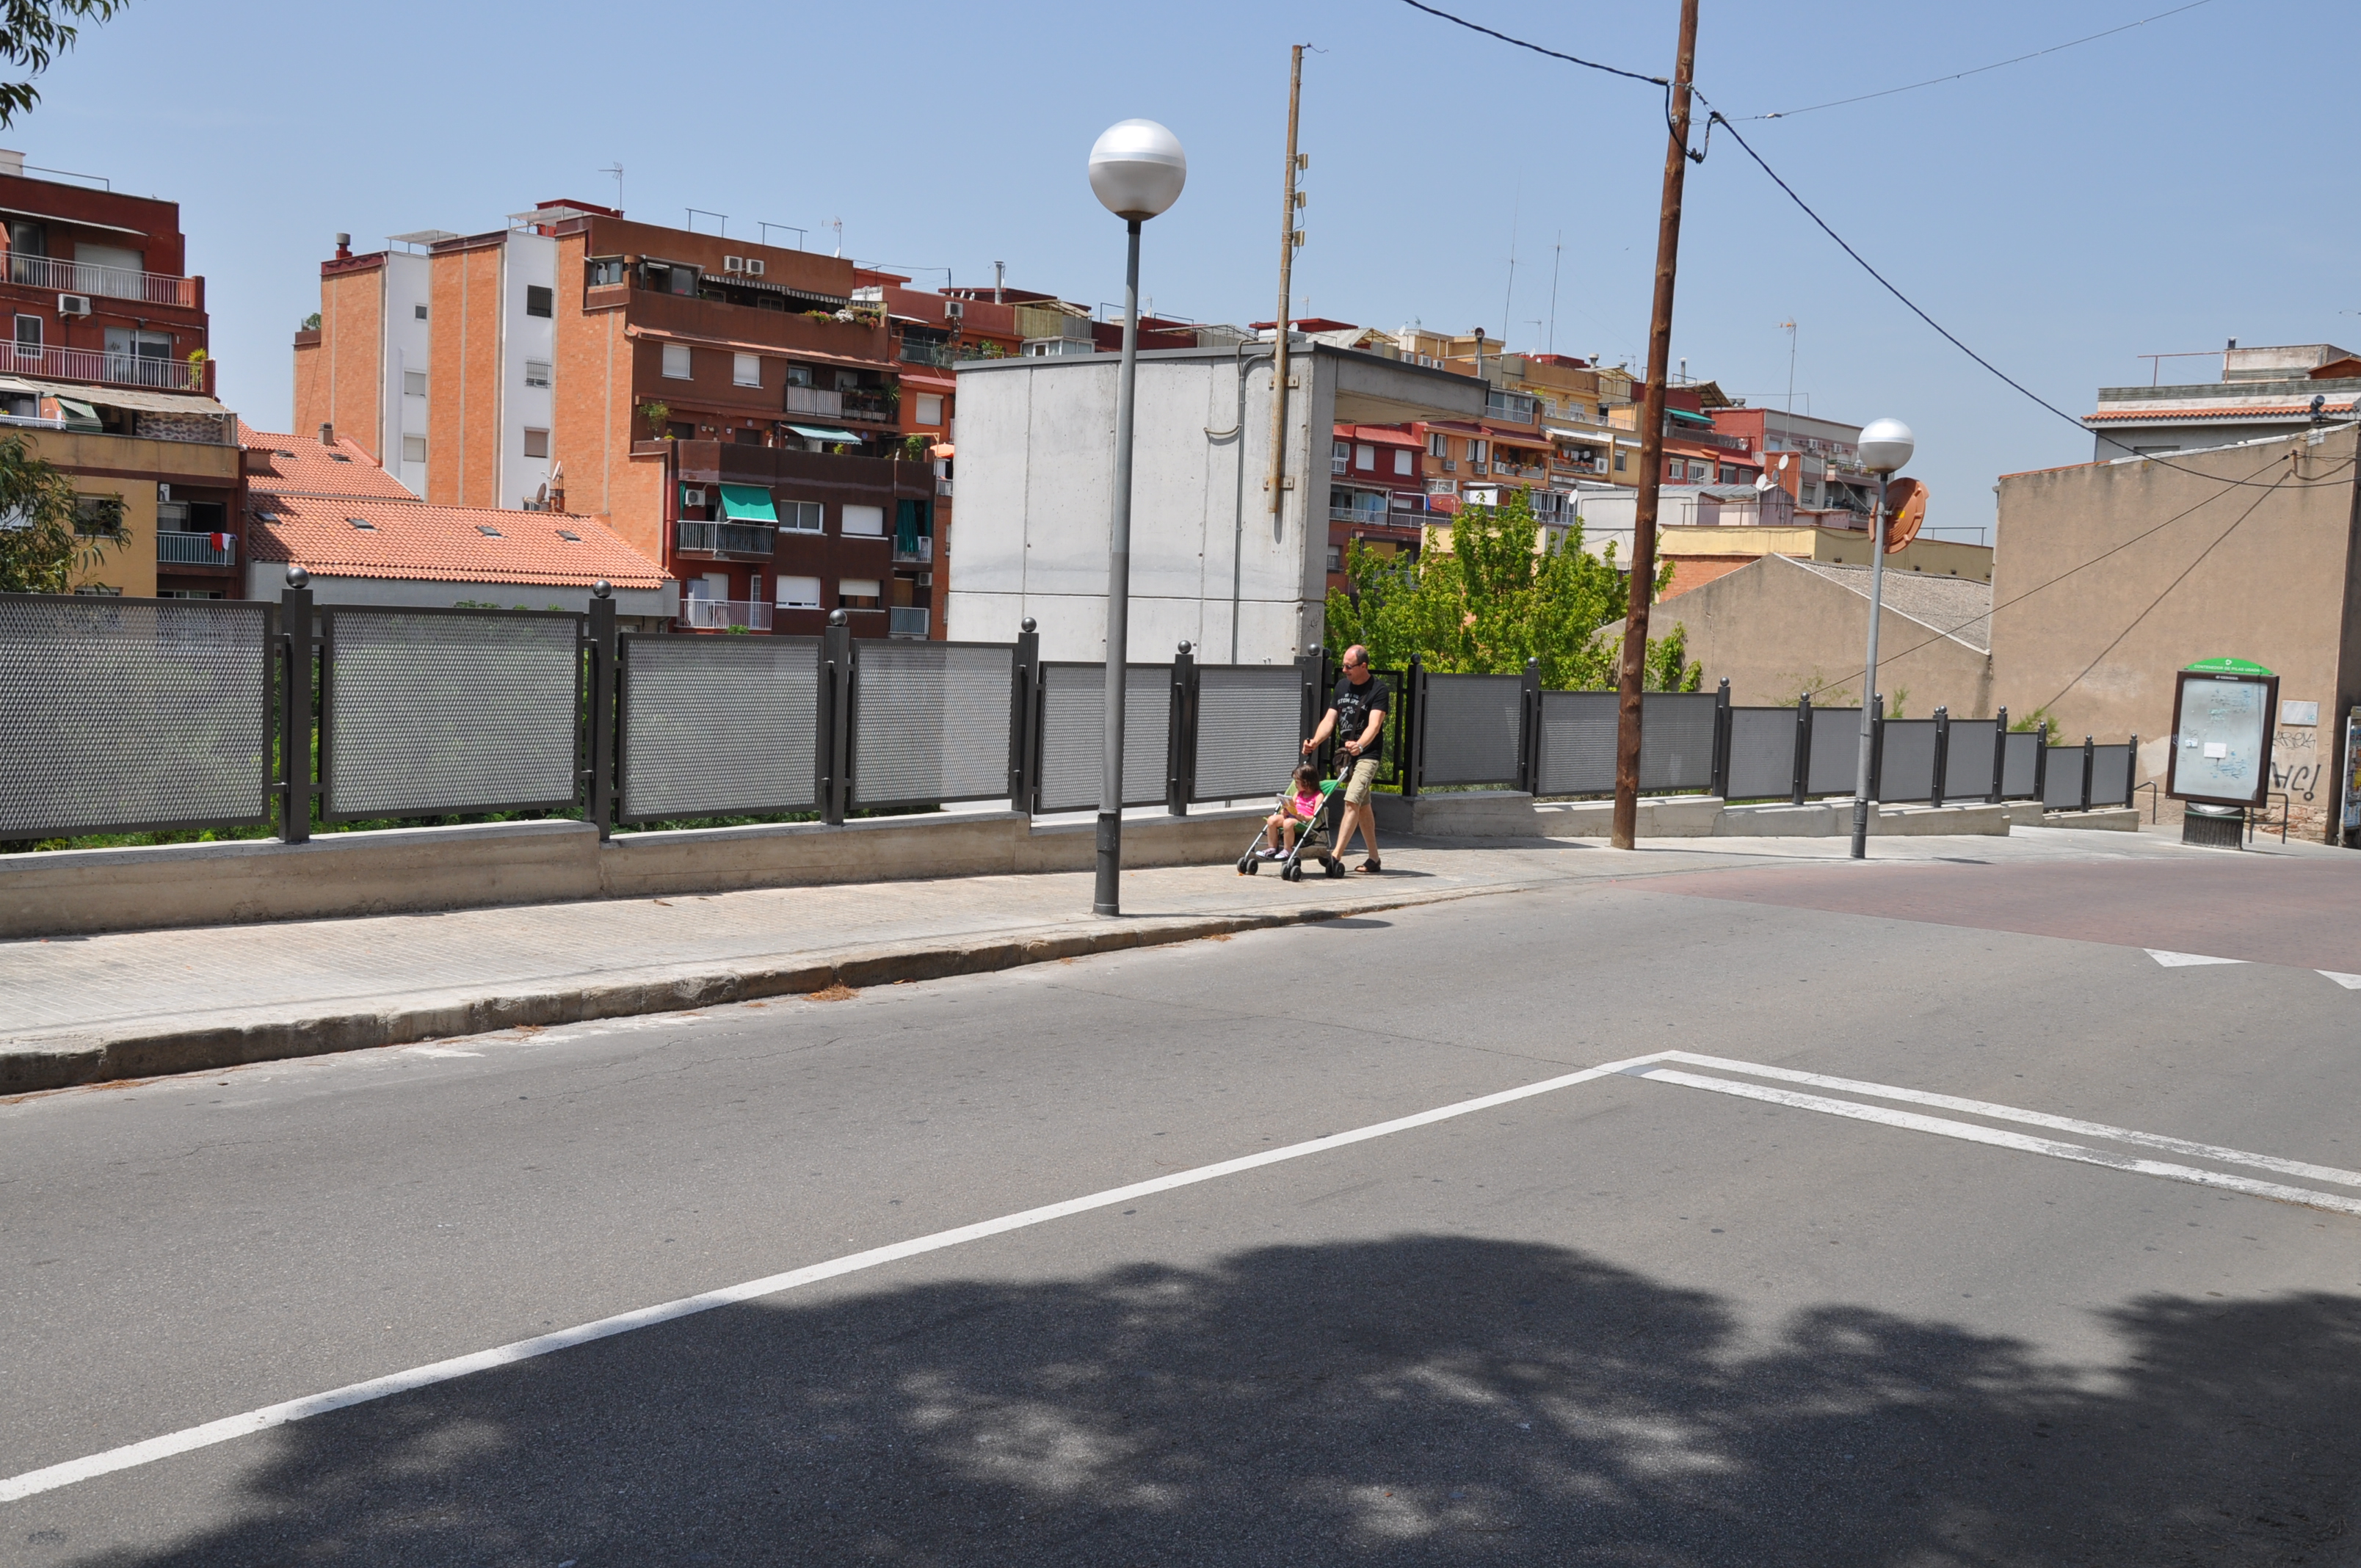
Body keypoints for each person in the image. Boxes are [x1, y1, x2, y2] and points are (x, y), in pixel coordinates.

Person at [1304, 644, 1389, 872]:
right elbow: (1329, 720)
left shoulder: (1379, 690)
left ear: (1364, 666)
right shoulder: (1342, 687)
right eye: (1343, 665)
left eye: (1349, 666)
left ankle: (1335, 856)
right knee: (1363, 806)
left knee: (1351, 800)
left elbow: (1375, 725)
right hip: (1347, 756)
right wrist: (1315, 741)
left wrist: (1361, 745)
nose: (1344, 670)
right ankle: (1374, 859)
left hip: (1367, 755)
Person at [1262, 763, 1327, 859]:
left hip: (1302, 821)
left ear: (1307, 782)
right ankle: (1272, 848)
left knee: (1288, 822)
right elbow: (1290, 806)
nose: (1295, 784)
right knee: (1271, 820)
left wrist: (1304, 817)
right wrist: (1284, 812)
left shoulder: (1318, 796)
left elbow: (1315, 816)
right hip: (1291, 817)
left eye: (1297, 782)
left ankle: (1287, 850)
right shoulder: (1298, 793)